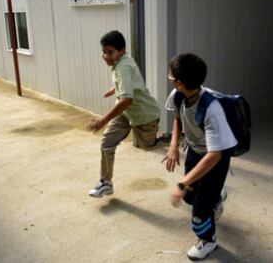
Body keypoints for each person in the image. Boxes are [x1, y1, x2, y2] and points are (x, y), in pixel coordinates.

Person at [162, 53, 237, 260]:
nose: (170, 78)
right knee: (189, 196)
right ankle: (216, 197)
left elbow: (214, 156)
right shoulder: (178, 94)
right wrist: (174, 145)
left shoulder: (211, 109)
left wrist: (182, 182)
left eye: (170, 76)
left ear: (178, 81)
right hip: (195, 150)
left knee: (199, 213)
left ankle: (208, 240)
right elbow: (178, 116)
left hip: (216, 157)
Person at [86, 30, 160, 198]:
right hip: (126, 115)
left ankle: (178, 138)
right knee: (107, 142)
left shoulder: (124, 66)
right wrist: (115, 89)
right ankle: (106, 183)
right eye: (104, 52)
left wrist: (102, 121)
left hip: (144, 115)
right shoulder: (121, 62)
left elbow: (127, 99)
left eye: (110, 52)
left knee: (145, 146)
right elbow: (129, 83)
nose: (106, 56)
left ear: (122, 50)